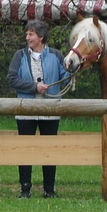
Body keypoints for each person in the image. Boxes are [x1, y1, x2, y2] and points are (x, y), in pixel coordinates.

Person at [6, 20, 67, 198]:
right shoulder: (20, 56)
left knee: (49, 150)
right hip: (26, 111)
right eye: (27, 34)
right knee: (26, 149)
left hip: (50, 111)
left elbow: (66, 76)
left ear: (41, 36)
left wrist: (74, 68)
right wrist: (34, 87)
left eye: (31, 34)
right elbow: (12, 79)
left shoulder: (56, 55)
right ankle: (25, 189)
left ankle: (49, 189)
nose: (27, 37)